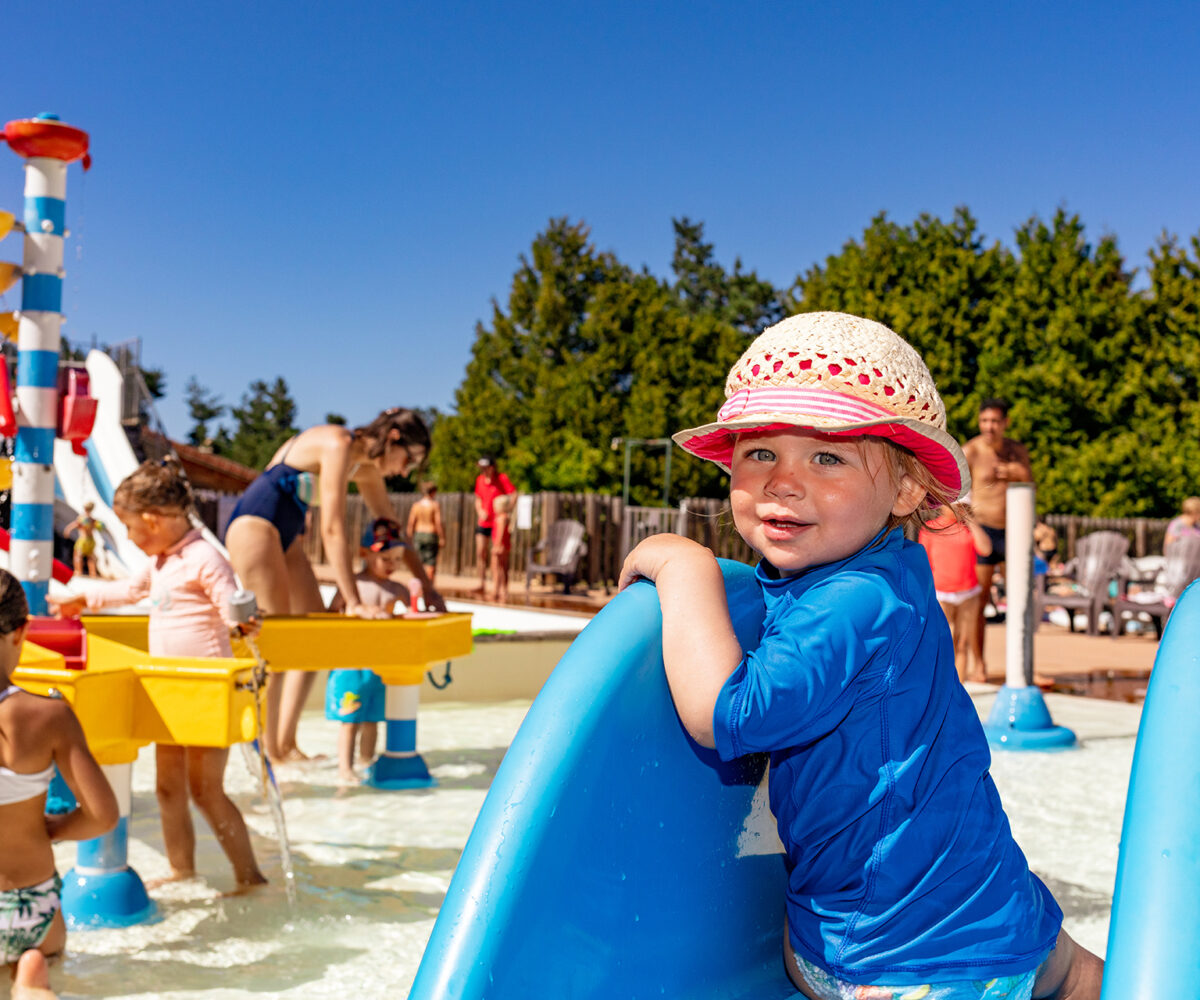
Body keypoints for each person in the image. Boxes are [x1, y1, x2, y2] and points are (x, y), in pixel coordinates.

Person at [619, 312, 1103, 999]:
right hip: (987, 899)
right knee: (1082, 975)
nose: (784, 482)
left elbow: (723, 712)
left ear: (906, 489)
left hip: (905, 957)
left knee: (801, 955)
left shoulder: (852, 601)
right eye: (760, 453)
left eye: (827, 457)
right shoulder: (894, 571)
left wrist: (684, 566)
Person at [48, 460, 267, 892]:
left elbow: (232, 607)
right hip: (169, 690)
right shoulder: (163, 562)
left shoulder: (205, 557)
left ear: (151, 520)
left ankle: (250, 876)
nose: (128, 537)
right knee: (167, 789)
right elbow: (129, 591)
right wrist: (83, 599)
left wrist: (244, 622)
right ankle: (182, 869)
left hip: (206, 691)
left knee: (206, 791)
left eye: (129, 528)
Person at [224, 409, 445, 762]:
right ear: (392, 439)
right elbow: (333, 528)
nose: (404, 471)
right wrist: (354, 601)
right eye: (408, 460)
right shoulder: (337, 442)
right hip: (255, 525)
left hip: (284, 535)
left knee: (312, 637)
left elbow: (394, 532)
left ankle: (285, 745)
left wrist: (428, 588)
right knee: (275, 641)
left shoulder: (367, 468)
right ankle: (265, 753)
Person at [0, 569, 118, 985]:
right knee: (33, 977)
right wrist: (51, 828)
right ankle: (31, 983)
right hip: (34, 908)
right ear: (21, 632)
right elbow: (103, 816)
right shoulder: (49, 715)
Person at [326, 520, 410, 783]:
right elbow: (330, 616)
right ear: (364, 553)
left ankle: (367, 762)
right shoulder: (352, 586)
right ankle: (345, 769)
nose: (391, 564)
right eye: (385, 557)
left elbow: (410, 620)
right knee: (350, 720)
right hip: (350, 665)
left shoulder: (398, 590)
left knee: (373, 719)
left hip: (380, 667)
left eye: (396, 558)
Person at [963, 398, 1033, 677]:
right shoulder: (971, 451)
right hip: (984, 529)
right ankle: (978, 662)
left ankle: (1021, 667)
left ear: (1006, 423)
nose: (989, 427)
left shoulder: (1017, 451)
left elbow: (1029, 484)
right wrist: (973, 529)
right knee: (978, 601)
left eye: (995, 421)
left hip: (1014, 529)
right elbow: (959, 497)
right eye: (984, 421)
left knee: (1019, 599)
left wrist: (1017, 472)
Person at [919, 507, 994, 682]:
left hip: (968, 593)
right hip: (941, 592)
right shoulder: (931, 528)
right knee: (943, 642)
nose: (957, 508)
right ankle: (941, 684)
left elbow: (986, 549)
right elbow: (924, 562)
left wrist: (970, 521)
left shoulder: (968, 528)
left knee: (962, 643)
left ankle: (959, 686)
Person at [473, 456, 515, 595]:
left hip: (498, 523)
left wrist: (507, 509)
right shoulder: (480, 480)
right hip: (484, 521)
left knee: (499, 557)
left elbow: (514, 494)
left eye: (486, 467)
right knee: (481, 552)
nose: (483, 470)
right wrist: (480, 511)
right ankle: (481, 583)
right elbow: (478, 498)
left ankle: (501, 588)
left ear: (492, 467)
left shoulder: (502, 478)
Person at [406, 481, 445, 588]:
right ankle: (429, 589)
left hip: (418, 535)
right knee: (430, 565)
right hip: (430, 535)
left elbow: (411, 523)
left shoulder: (416, 506)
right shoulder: (434, 505)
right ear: (433, 492)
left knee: (418, 564)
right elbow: (438, 523)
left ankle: (418, 588)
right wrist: (442, 537)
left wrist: (409, 539)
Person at [63, 502, 103, 578]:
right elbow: (98, 527)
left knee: (78, 556)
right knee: (91, 557)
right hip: (91, 540)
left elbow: (75, 524)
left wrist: (67, 530)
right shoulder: (92, 520)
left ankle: (78, 571)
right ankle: (93, 573)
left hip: (83, 540)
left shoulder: (82, 518)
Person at [489, 493, 514, 603]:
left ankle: (496, 590)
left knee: (496, 568)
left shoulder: (501, 518)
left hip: (500, 545)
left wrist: (496, 546)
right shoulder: (506, 517)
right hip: (505, 545)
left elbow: (500, 532)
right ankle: (504, 590)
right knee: (504, 568)